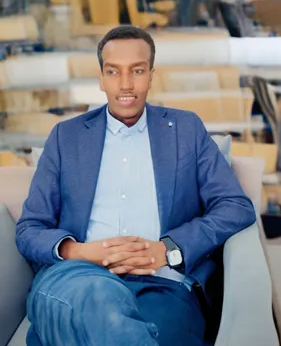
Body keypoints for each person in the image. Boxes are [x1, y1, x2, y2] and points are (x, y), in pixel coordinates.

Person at [16, 25, 256, 346]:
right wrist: (82, 252)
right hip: (80, 277)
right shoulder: (66, 136)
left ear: (151, 76)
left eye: (137, 71)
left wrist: (169, 250)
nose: (126, 84)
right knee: (100, 302)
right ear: (101, 78)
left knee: (141, 329)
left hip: (162, 284)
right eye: (114, 72)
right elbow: (30, 228)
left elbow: (235, 207)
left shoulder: (185, 129)